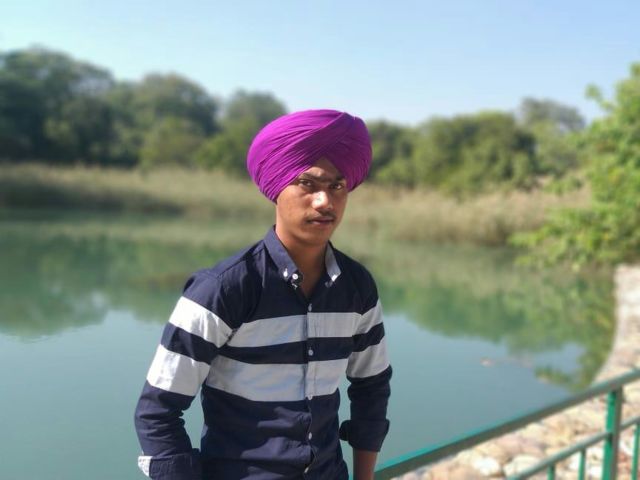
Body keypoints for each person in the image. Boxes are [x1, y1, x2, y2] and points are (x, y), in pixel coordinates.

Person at [134, 109, 392, 480]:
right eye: (307, 184)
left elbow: (372, 387)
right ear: (276, 188)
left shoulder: (356, 288)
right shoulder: (223, 289)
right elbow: (157, 412)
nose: (325, 201)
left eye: (337, 186)